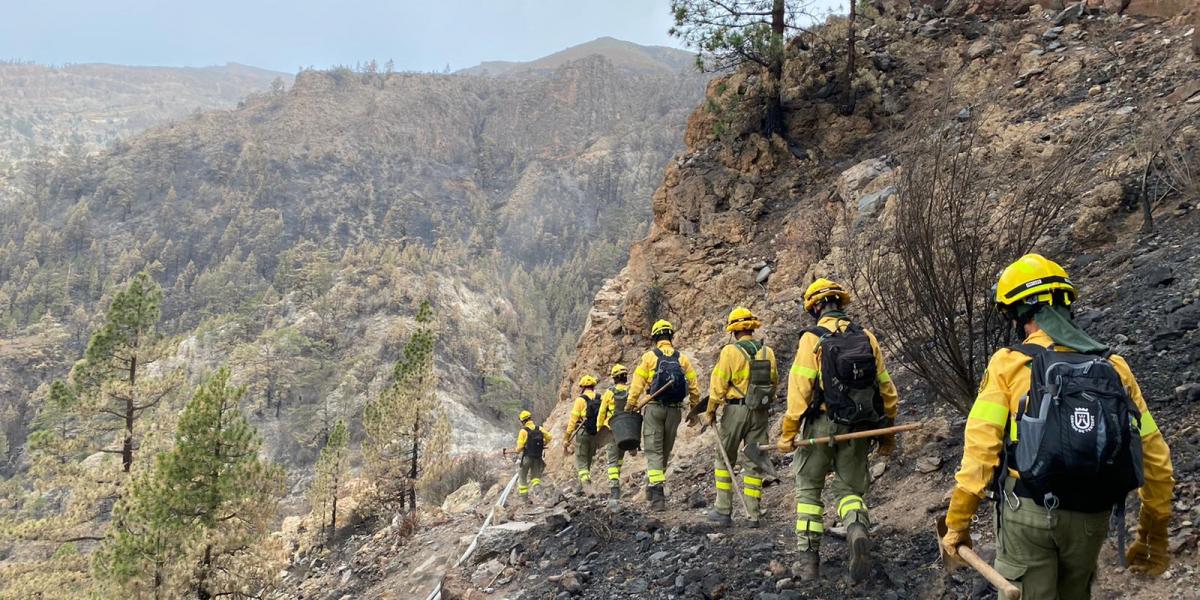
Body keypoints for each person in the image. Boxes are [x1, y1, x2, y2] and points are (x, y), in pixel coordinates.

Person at [940, 254, 1174, 599]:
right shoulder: (1115, 368)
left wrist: (957, 525)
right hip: (1090, 518)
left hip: (1028, 513)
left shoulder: (1008, 364)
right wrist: (1153, 536)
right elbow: (1156, 461)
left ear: (1019, 314)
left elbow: (980, 455)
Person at [778, 278, 899, 582]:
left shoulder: (811, 339)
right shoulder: (866, 336)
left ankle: (808, 564)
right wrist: (887, 434)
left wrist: (788, 433)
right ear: (841, 304)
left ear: (815, 308)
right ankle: (856, 530)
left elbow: (799, 392)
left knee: (808, 490)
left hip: (821, 426)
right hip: (859, 425)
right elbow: (887, 390)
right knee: (850, 490)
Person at [706, 307, 778, 528]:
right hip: (760, 412)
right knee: (754, 460)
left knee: (724, 457)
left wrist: (711, 410)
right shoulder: (768, 352)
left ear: (733, 330)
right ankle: (754, 513)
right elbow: (773, 382)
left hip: (735, 410)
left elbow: (719, 384)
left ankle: (723, 510)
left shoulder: (730, 352)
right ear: (752, 327)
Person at [626, 319, 701, 511]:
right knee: (665, 451)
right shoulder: (682, 358)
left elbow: (637, 383)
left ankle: (657, 496)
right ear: (670, 336)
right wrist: (694, 410)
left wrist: (631, 403)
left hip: (654, 408)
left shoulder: (649, 357)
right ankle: (653, 486)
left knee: (653, 451)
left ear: (655, 338)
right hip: (675, 411)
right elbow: (693, 386)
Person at [598, 363, 632, 501]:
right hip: (627, 430)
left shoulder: (609, 393)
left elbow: (602, 412)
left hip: (612, 429)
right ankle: (617, 486)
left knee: (612, 461)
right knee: (619, 460)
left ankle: (614, 489)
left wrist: (600, 428)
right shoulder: (631, 391)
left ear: (614, 378)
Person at [564, 374, 602, 491]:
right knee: (589, 460)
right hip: (595, 433)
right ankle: (581, 488)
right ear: (593, 386)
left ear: (582, 387)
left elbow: (573, 420)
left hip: (583, 431)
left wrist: (567, 437)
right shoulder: (599, 398)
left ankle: (587, 486)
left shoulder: (580, 400)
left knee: (581, 460)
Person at [513, 410, 551, 501]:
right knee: (535, 478)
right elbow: (549, 437)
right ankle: (538, 491)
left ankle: (525, 499)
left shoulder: (523, 431)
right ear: (530, 418)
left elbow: (519, 448)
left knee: (522, 475)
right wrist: (544, 443)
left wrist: (516, 450)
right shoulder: (539, 428)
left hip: (527, 457)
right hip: (537, 457)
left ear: (523, 421)